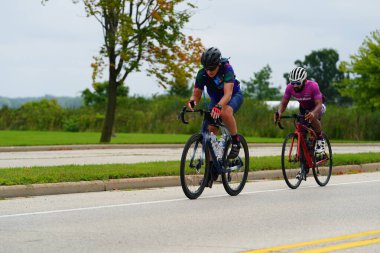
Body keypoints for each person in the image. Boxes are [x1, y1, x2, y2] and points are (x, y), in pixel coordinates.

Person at [186, 47, 244, 160]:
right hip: (215, 100)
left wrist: (218, 106)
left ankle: (236, 141)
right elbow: (196, 95)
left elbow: (228, 94)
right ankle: (212, 169)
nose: (209, 71)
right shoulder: (201, 74)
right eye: (207, 68)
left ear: (218, 64)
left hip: (233, 96)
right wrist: (192, 102)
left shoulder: (227, 69)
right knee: (209, 132)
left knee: (225, 112)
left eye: (212, 68)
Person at [274, 67, 326, 154]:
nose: (295, 85)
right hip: (304, 108)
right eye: (293, 83)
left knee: (311, 118)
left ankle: (320, 139)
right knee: (301, 131)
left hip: (317, 106)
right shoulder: (289, 88)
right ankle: (305, 160)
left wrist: (313, 113)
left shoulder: (313, 86)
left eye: (298, 83)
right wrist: (279, 112)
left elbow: (319, 104)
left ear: (304, 81)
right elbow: (283, 103)